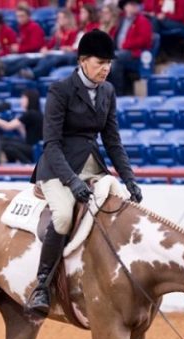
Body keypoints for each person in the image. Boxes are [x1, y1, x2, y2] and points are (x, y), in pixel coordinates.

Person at [26, 29, 143, 317]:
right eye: (100, 62)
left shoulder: (108, 91)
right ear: (82, 61)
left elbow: (112, 140)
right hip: (57, 167)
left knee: (121, 206)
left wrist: (129, 178)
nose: (106, 68)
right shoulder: (60, 90)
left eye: (109, 63)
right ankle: (42, 284)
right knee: (64, 215)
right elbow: (51, 143)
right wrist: (72, 181)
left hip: (92, 165)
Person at [0, 89, 43, 163]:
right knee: (5, 139)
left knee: (4, 144)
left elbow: (7, 126)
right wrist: (20, 126)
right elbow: (28, 137)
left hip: (33, 149)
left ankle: (27, 163)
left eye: (23, 98)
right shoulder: (36, 113)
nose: (21, 101)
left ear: (30, 100)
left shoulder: (30, 114)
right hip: (34, 147)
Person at [19, 9, 78, 80]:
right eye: (58, 18)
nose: (59, 20)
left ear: (68, 19)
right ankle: (23, 73)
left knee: (50, 58)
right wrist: (45, 48)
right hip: (56, 53)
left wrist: (68, 48)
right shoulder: (58, 32)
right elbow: (49, 45)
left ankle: (34, 74)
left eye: (62, 18)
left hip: (66, 56)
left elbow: (74, 47)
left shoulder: (74, 32)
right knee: (33, 58)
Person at [110, 0, 152, 95]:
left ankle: (118, 93)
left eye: (136, 4)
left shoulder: (143, 20)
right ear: (125, 7)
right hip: (119, 52)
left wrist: (126, 44)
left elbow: (144, 40)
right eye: (131, 4)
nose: (135, 7)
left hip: (135, 54)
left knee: (116, 57)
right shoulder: (122, 20)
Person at [0, 5, 45, 78]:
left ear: (28, 16)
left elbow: (36, 46)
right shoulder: (21, 28)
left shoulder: (34, 27)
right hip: (23, 54)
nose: (20, 19)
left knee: (21, 60)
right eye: (18, 16)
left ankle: (3, 72)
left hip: (35, 55)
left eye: (22, 16)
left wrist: (19, 48)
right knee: (8, 58)